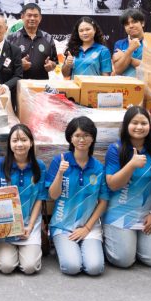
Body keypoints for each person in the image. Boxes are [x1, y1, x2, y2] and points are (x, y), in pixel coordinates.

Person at [103, 106, 151, 268]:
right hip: (119, 213)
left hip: (147, 214)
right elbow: (112, 184)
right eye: (134, 123)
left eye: (144, 123)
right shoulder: (115, 149)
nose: (139, 127)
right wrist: (131, 165)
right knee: (124, 261)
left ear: (150, 126)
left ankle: (133, 243)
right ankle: (117, 240)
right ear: (126, 125)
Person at [46, 116, 109, 276]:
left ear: (93, 138)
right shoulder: (59, 161)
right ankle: (64, 246)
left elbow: (103, 201)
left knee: (95, 268)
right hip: (62, 225)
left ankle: (81, 247)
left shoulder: (98, 167)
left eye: (86, 135)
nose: (82, 139)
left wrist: (87, 228)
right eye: (77, 135)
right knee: (72, 267)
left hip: (89, 226)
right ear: (70, 138)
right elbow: (53, 195)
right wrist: (60, 173)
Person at [0, 124, 47, 275]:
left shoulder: (39, 166)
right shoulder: (0, 165)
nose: (19, 144)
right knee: (7, 266)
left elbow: (40, 198)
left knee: (29, 267)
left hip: (29, 225)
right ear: (9, 144)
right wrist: (5, 227)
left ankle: (25, 251)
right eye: (15, 140)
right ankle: (2, 253)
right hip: (4, 226)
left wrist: (30, 227)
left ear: (31, 142)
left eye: (24, 140)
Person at [7, 3, 58, 80]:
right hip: (17, 86)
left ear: (40, 18)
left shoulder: (48, 38)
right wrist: (18, 65)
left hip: (41, 86)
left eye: (35, 16)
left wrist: (51, 65)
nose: (32, 18)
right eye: (29, 15)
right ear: (22, 17)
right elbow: (5, 63)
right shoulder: (12, 38)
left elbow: (54, 62)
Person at [112, 9, 145, 77]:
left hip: (146, 85)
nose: (131, 26)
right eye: (127, 24)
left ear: (142, 23)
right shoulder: (119, 44)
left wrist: (125, 55)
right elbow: (118, 70)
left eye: (134, 22)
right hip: (125, 86)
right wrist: (130, 50)